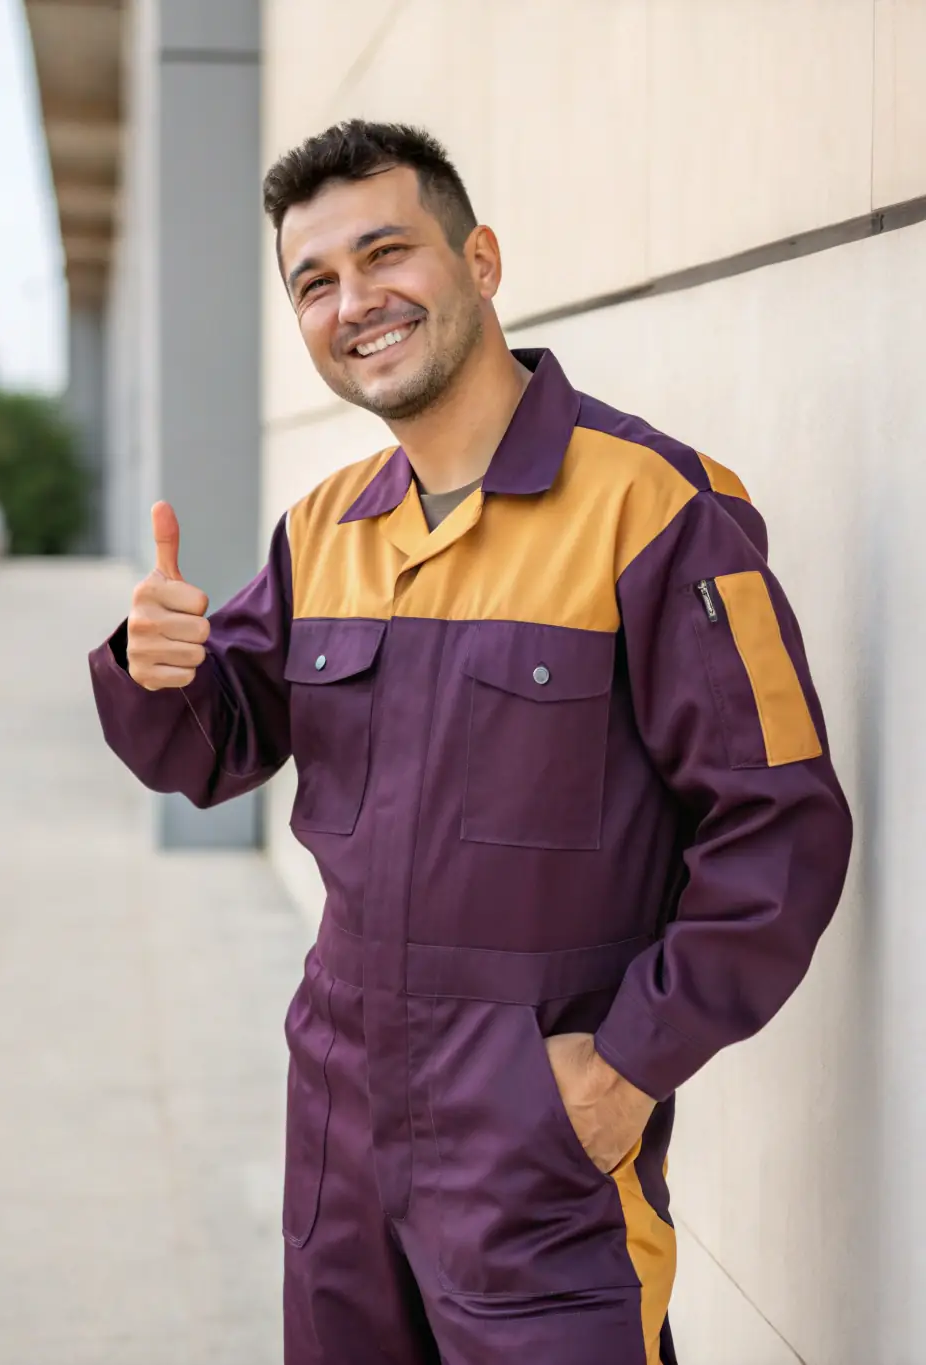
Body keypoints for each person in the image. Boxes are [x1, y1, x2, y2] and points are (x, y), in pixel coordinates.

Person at [89, 120, 852, 1365]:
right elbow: (214, 749)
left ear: (481, 260)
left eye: (386, 253)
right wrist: (154, 666)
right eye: (314, 281)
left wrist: (624, 1068)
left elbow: (783, 826)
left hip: (534, 1139)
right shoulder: (325, 528)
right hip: (340, 1113)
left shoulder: (656, 510)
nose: (354, 302)